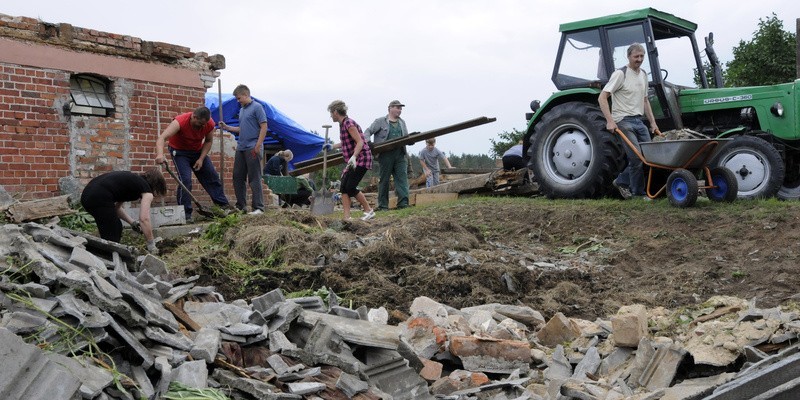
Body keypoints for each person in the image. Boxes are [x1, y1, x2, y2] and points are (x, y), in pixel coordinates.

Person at [598, 42, 659, 200]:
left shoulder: (643, 74)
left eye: (641, 56)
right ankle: (637, 194)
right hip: (623, 121)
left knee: (651, 156)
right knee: (637, 157)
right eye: (636, 56)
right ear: (629, 57)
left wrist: (653, 123)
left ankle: (622, 180)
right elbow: (602, 97)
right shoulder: (620, 73)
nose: (639, 59)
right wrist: (610, 121)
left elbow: (645, 101)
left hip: (639, 121)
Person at [155, 106, 230, 221]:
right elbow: (162, 138)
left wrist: (201, 159)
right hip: (179, 152)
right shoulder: (180, 122)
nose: (202, 127)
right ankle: (185, 214)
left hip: (197, 151)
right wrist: (160, 154)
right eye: (200, 124)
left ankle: (224, 207)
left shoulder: (209, 124)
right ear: (194, 117)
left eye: (204, 124)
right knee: (185, 180)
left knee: (212, 176)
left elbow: (208, 141)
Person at [80, 169, 167, 253]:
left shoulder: (134, 183)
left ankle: (102, 253)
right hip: (98, 196)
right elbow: (144, 219)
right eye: (158, 192)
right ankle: (107, 257)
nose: (156, 195)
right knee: (114, 230)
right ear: (156, 186)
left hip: (87, 196)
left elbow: (116, 208)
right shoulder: (146, 191)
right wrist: (151, 244)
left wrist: (132, 223)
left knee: (112, 228)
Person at [219, 84, 268, 214]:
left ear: (246, 95)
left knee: (254, 177)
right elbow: (242, 129)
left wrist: (258, 145)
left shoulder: (257, 107)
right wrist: (228, 127)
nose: (238, 101)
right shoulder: (242, 110)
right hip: (241, 147)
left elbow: (264, 126)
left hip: (253, 147)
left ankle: (258, 208)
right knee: (237, 176)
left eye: (239, 98)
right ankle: (241, 206)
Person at [327, 100, 376, 221]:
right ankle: (347, 217)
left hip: (362, 158)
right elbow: (345, 142)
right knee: (343, 187)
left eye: (331, 113)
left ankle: (369, 210)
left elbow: (359, 141)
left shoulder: (349, 123)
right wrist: (331, 146)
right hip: (353, 160)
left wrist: (354, 157)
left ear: (335, 112)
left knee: (350, 187)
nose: (331, 116)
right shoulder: (343, 124)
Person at [365, 100, 409, 210]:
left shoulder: (402, 123)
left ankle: (403, 203)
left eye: (400, 108)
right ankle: (383, 205)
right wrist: (368, 142)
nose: (400, 110)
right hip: (385, 155)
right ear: (390, 108)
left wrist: (410, 141)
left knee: (402, 178)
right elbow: (367, 131)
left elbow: (406, 136)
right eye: (398, 108)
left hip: (400, 154)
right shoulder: (380, 121)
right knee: (384, 180)